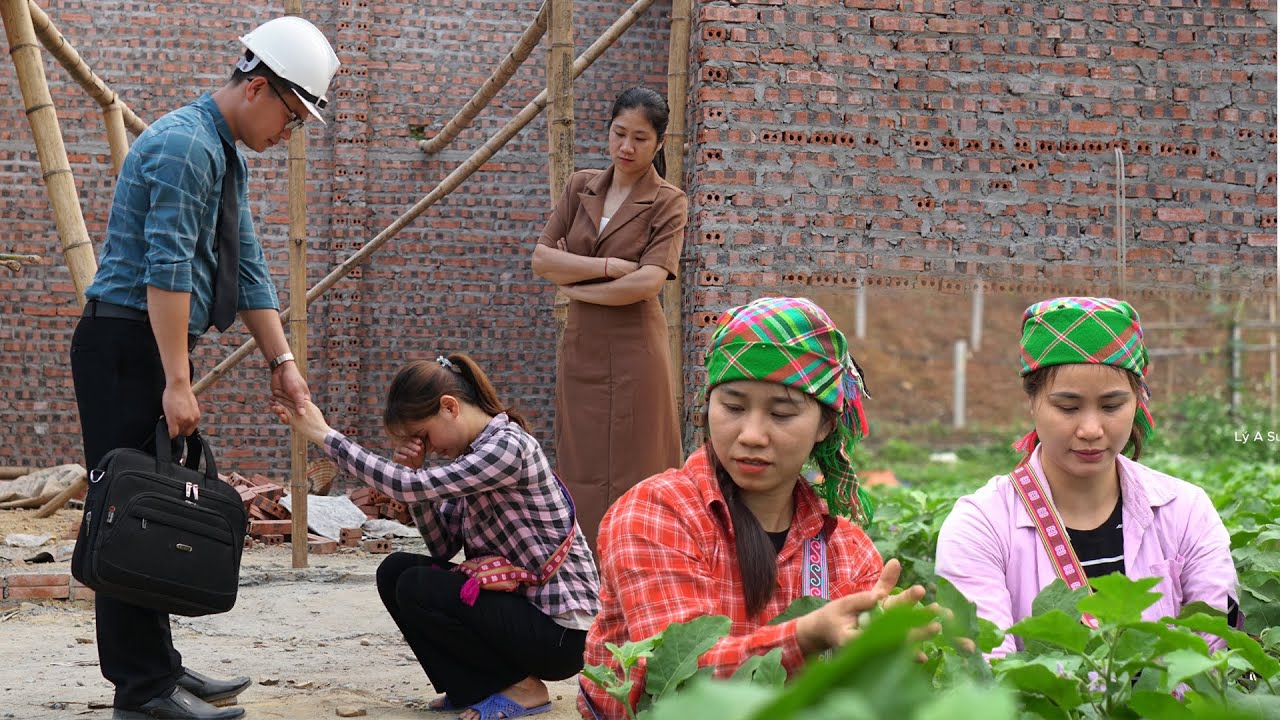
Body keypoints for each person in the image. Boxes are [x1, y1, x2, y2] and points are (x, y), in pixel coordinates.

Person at [69, 16, 340, 720]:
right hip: (127, 345)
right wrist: (177, 380)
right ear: (257, 87)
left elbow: (246, 267)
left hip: (147, 344)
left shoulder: (225, 154)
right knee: (132, 511)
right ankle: (143, 690)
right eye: (292, 113)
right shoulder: (188, 148)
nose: (292, 132)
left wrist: (282, 362)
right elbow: (166, 273)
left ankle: (160, 669)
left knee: (150, 506)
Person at [579, 297, 928, 719]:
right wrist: (805, 636)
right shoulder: (657, 513)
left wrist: (888, 640)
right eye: (733, 407)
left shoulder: (844, 550)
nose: (752, 435)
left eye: (781, 413)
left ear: (825, 425)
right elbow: (680, 684)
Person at [272, 353, 600, 720]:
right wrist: (419, 481)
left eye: (423, 435)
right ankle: (473, 687)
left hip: (559, 633)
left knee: (417, 584)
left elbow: (408, 487)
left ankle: (525, 688)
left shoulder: (507, 447)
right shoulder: (471, 458)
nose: (426, 446)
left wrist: (323, 434)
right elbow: (444, 546)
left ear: (449, 407)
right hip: (520, 616)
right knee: (395, 571)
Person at [935, 297, 1240, 658]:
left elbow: (1216, 651)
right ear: (1031, 401)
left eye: (1112, 406)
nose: (1091, 429)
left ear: (1138, 400)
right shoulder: (980, 526)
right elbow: (987, 671)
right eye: (1068, 407)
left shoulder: (1186, 512)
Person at [530, 87, 687, 551]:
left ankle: (645, 564)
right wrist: (604, 269)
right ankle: (585, 568)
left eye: (640, 138)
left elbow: (647, 284)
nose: (626, 147)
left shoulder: (668, 200)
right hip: (583, 345)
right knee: (581, 459)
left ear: (659, 144)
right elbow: (541, 259)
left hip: (637, 345)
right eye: (619, 133)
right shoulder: (581, 186)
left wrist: (574, 286)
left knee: (643, 459)